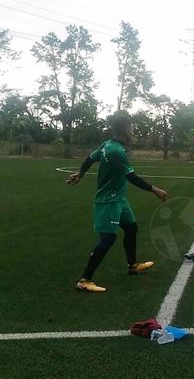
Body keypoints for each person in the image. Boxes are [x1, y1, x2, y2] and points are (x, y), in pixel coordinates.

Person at [66, 111, 168, 292]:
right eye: (132, 129)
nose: (133, 133)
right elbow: (132, 177)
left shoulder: (107, 145)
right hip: (109, 201)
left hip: (119, 200)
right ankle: (84, 280)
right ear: (125, 130)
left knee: (131, 227)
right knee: (108, 238)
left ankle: (132, 265)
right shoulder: (116, 151)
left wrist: (81, 174)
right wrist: (155, 190)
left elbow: (90, 158)